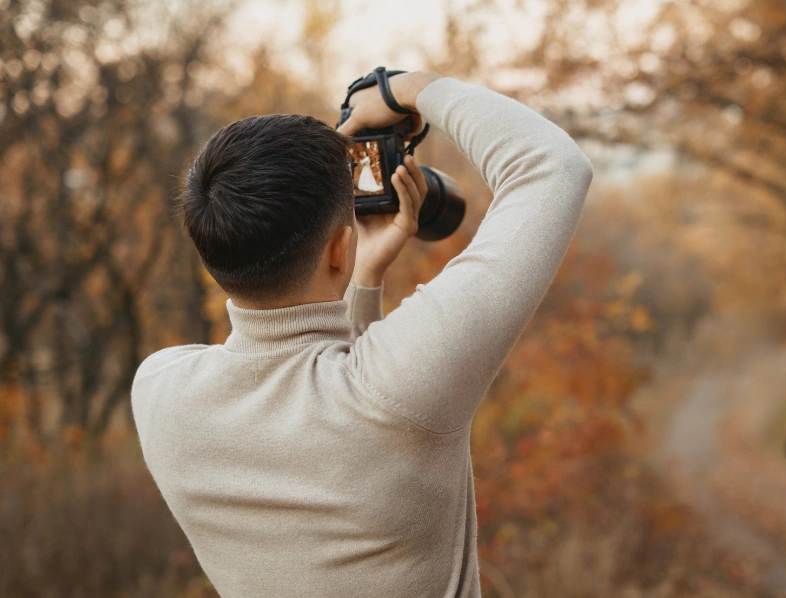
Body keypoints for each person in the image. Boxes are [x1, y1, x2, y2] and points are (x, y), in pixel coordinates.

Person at [130, 70, 593, 597]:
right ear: (336, 249)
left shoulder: (159, 390)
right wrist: (408, 89)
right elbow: (553, 167)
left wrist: (364, 273)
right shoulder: (394, 393)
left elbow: (323, 395)